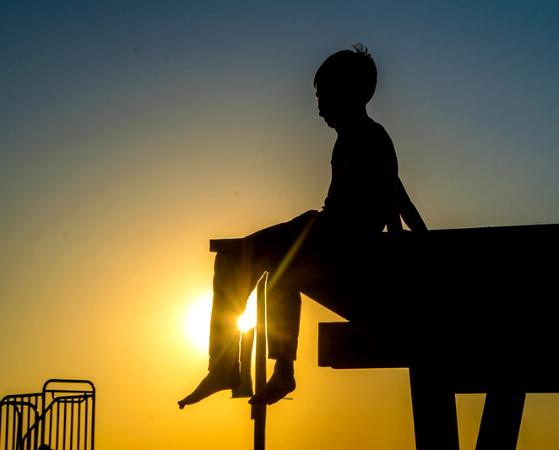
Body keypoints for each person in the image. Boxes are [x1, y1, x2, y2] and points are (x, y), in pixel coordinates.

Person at [178, 43, 426, 409]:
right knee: (247, 263)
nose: (320, 105)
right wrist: (420, 234)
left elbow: (390, 198)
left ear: (352, 94)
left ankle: (260, 368)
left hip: (340, 237)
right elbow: (399, 191)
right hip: (325, 231)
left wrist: (406, 248)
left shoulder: (371, 137)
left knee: (250, 260)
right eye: (318, 96)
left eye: (325, 95)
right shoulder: (355, 138)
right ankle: (234, 366)